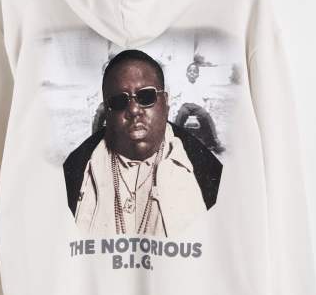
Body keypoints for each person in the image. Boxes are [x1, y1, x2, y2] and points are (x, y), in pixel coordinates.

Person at [63, 49, 223, 237]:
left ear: (166, 102)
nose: (133, 110)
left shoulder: (207, 170)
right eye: (119, 101)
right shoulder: (75, 169)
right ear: (107, 110)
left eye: (146, 96)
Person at [174, 62, 225, 154]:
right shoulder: (182, 84)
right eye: (190, 71)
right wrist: (175, 106)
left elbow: (207, 98)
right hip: (185, 106)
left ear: (197, 75)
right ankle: (175, 140)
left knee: (206, 115)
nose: (192, 73)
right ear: (186, 73)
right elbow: (175, 96)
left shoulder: (201, 85)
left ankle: (215, 142)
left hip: (197, 107)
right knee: (181, 114)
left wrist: (207, 108)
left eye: (194, 71)